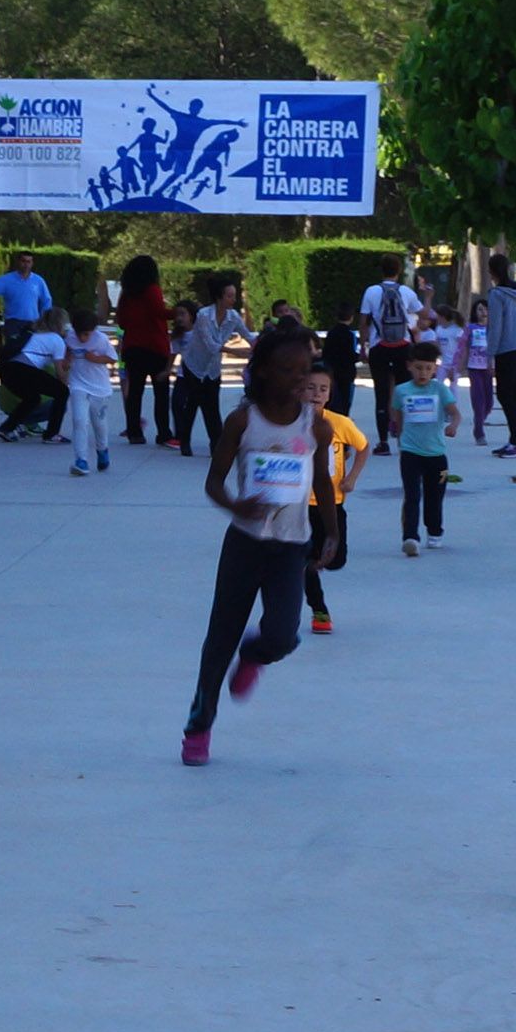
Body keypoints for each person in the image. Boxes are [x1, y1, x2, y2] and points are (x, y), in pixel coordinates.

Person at [179, 325, 338, 767]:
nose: (298, 380)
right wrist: (235, 504)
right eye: (287, 370)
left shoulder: (315, 425)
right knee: (219, 639)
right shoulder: (243, 422)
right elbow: (213, 481)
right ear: (262, 372)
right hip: (245, 545)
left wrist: (332, 531)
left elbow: (322, 480)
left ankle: (255, 654)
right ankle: (199, 724)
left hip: (291, 546)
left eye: (304, 371)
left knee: (284, 634)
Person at [301, 363, 367, 635]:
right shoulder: (290, 422)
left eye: (323, 389)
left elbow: (363, 448)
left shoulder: (340, 423)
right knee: (306, 563)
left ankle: (315, 563)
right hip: (299, 505)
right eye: (310, 388)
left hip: (332, 504)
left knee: (336, 560)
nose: (316, 393)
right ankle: (319, 611)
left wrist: (351, 477)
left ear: (329, 395)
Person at [391, 340, 459, 556]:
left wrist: (453, 425)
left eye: (428, 368)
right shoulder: (402, 391)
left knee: (435, 496)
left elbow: (455, 412)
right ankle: (410, 537)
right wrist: (400, 441)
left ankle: (435, 531)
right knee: (411, 495)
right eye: (419, 367)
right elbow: (398, 416)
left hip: (437, 455)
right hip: (411, 453)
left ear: (435, 369)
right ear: (410, 366)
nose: (423, 373)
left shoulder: (440, 390)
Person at [175, 277, 254, 458]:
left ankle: (216, 444)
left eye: (234, 296)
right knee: (193, 404)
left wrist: (259, 346)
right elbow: (211, 345)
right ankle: (184, 441)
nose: (233, 300)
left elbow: (248, 335)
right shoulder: (203, 315)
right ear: (219, 297)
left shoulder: (233, 316)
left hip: (212, 370)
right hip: (194, 366)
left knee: (212, 406)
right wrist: (239, 353)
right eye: (229, 296)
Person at [359, 254, 422, 454]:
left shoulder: (371, 291)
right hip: (403, 346)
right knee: (404, 392)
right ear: (399, 271)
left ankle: (383, 441)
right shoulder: (406, 291)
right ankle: (404, 439)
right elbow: (422, 313)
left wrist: (363, 346)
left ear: (381, 270)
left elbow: (363, 323)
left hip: (380, 347)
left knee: (381, 393)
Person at [115, 255, 174, 447]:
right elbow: (159, 312)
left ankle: (134, 432)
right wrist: (180, 311)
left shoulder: (126, 294)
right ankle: (163, 432)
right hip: (155, 346)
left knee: (135, 393)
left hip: (133, 347)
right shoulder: (152, 290)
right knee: (161, 394)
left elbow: (121, 321)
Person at [486, 253, 516, 458]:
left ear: (492, 272)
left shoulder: (497, 295)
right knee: (514, 394)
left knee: (506, 395)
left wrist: (490, 354)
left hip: (507, 348)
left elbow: (496, 327)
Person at [0, 307, 70, 444]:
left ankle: (7, 428)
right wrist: (66, 386)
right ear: (60, 324)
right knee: (62, 392)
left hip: (6, 369)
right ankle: (52, 434)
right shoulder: (56, 339)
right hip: (23, 368)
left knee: (32, 398)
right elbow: (60, 372)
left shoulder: (34, 334)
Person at [62, 308, 117, 476]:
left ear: (93, 331)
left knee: (99, 424)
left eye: (86, 334)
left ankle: (102, 449)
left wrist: (96, 359)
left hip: (99, 388)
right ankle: (81, 459)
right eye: (79, 334)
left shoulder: (101, 340)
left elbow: (112, 358)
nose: (82, 338)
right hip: (78, 385)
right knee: (79, 420)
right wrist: (66, 360)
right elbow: (67, 350)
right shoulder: (70, 337)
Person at [0, 251, 54, 356]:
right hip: (13, 323)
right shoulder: (7, 280)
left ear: (32, 263)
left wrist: (45, 320)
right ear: (18, 262)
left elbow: (46, 300)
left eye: (29, 262)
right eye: (23, 261)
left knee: (30, 353)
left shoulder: (38, 281)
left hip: (32, 323)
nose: (26, 264)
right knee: (14, 352)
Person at [464, 299, 495, 441]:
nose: (484, 313)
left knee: (489, 402)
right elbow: (462, 347)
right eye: (480, 310)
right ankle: (479, 430)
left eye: (486, 309)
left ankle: (481, 419)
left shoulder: (495, 328)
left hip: (489, 369)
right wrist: (457, 365)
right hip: (474, 367)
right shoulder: (470, 328)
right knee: (478, 399)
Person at [322, 303, 361, 418]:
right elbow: (350, 354)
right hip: (346, 372)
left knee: (332, 397)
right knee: (345, 399)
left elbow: (326, 353)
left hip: (332, 370)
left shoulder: (331, 333)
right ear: (351, 317)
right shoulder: (350, 334)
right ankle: (343, 418)